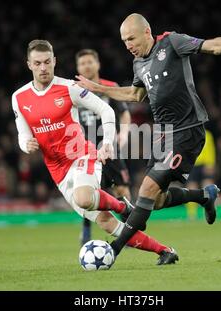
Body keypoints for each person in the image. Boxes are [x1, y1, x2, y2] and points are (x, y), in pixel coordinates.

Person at [76, 13, 221, 258]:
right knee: (157, 200)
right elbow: (135, 96)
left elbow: (211, 46)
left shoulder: (172, 42)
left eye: (131, 38)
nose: (128, 45)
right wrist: (99, 89)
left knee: (147, 190)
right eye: (124, 41)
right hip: (163, 134)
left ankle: (114, 250)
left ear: (147, 32)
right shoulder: (138, 63)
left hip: (187, 129)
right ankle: (205, 196)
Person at [12, 39, 177, 265]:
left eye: (47, 62)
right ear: (29, 64)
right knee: (107, 223)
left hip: (81, 155)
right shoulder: (19, 98)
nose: (43, 68)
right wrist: (26, 144)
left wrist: (107, 142)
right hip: (58, 172)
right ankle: (164, 250)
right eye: (38, 63)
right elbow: (22, 134)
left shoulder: (69, 88)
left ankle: (122, 205)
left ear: (54, 62)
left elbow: (106, 110)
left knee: (83, 197)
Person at [75, 48, 133, 245]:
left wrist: (123, 133)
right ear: (78, 67)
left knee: (123, 190)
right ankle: (85, 229)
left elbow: (124, 113)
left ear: (98, 64)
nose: (87, 66)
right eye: (82, 63)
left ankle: (130, 232)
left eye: (90, 62)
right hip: (86, 151)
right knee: (90, 190)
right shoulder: (74, 90)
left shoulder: (110, 87)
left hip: (110, 148)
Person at [186, 129, 216, 219]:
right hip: (192, 164)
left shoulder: (207, 134)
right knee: (191, 188)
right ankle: (192, 214)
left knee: (208, 187)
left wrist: (210, 164)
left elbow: (210, 149)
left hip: (204, 164)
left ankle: (209, 211)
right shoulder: (187, 133)